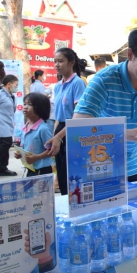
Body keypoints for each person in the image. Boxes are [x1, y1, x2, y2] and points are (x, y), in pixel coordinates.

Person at [72, 27, 137, 182]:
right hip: (100, 167)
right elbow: (78, 126)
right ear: (131, 54)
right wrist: (125, 134)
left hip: (133, 167)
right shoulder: (104, 80)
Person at [46, 48, 86, 195]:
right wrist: (54, 135)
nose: (56, 64)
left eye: (60, 61)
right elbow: (58, 116)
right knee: (61, 172)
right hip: (60, 129)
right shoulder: (57, 86)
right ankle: (64, 201)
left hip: (73, 130)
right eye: (55, 61)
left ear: (71, 63)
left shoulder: (78, 83)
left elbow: (78, 116)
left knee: (70, 173)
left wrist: (59, 136)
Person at [14, 93, 53, 177]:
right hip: (30, 168)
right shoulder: (26, 126)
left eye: (30, 104)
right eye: (24, 104)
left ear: (40, 108)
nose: (25, 107)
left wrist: (37, 157)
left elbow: (51, 150)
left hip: (42, 170)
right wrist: (20, 154)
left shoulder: (43, 129)